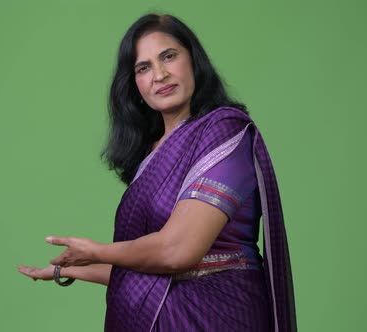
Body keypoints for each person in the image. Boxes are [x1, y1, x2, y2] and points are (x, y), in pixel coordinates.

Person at [18, 13, 296, 331]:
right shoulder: (152, 155)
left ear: (193, 61)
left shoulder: (224, 131)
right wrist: (71, 268)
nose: (160, 75)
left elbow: (178, 251)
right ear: (135, 85)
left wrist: (96, 250)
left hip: (218, 315)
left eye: (168, 56)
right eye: (144, 67)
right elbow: (145, 269)